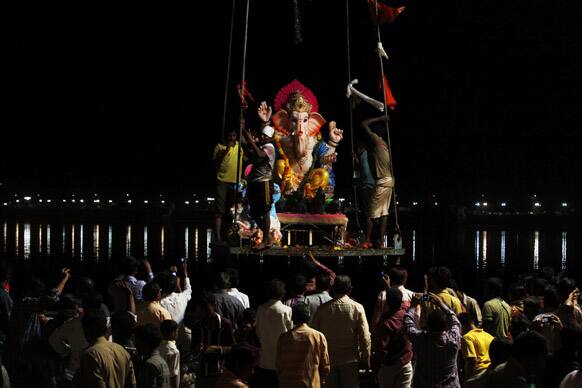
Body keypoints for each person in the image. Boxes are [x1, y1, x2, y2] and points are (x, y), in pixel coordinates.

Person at [312, 275, 371, 388]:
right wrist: (366, 359)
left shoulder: (322, 310)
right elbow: (365, 337)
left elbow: (315, 336)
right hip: (350, 360)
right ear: (350, 290)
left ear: (333, 289)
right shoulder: (357, 308)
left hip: (328, 360)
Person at [403, 293, 462, 388]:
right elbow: (455, 321)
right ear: (446, 325)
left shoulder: (420, 339)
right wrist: (441, 304)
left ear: (427, 325)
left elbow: (407, 324)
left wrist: (413, 306)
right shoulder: (453, 339)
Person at [242, 101, 276, 250]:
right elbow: (245, 144)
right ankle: (268, 236)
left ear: (269, 139)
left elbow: (259, 154)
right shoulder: (262, 144)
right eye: (261, 136)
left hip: (264, 183)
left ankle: (265, 240)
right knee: (254, 212)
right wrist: (242, 125)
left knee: (265, 212)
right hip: (255, 183)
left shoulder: (269, 148)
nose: (261, 138)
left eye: (264, 136)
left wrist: (249, 138)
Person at [73, 309, 136, 388]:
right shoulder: (122, 351)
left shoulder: (90, 355)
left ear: (86, 330)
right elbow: (132, 384)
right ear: (105, 329)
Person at [359, 115, 394, 249]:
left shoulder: (380, 142)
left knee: (370, 213)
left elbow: (364, 123)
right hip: (388, 181)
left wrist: (380, 118)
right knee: (384, 212)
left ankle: (368, 240)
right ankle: (380, 242)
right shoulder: (382, 143)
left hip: (383, 182)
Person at [276, 303, 330, 388]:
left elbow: (279, 364)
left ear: (293, 318)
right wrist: (321, 380)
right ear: (309, 316)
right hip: (311, 384)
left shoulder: (283, 338)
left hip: (288, 383)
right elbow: (325, 365)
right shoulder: (318, 336)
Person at [372, 288, 413, 388]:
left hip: (389, 366)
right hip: (406, 363)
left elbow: (381, 349)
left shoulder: (386, 323)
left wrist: (376, 369)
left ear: (387, 302)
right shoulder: (407, 316)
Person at [254, 280, 292, 387]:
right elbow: (290, 332)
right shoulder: (286, 310)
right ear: (283, 293)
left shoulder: (261, 309)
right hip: (282, 357)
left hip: (265, 357)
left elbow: (258, 332)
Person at [213, 130, 245, 243]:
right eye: (230, 135)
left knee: (232, 211)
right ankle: (218, 237)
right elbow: (216, 163)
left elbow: (243, 160)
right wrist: (226, 149)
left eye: (234, 135)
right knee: (219, 211)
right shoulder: (219, 146)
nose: (232, 138)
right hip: (222, 181)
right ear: (226, 136)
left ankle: (230, 236)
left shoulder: (239, 147)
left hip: (235, 182)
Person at [459, 313, 494, 381]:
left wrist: (467, 378)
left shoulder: (467, 337)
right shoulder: (488, 335)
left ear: (462, 325)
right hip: (490, 371)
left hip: (477, 373)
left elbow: (471, 360)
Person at [134, 324, 171, 388]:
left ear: (145, 343)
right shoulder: (161, 361)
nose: (135, 345)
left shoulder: (149, 364)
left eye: (137, 342)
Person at [158, 320, 181, 388]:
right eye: (177, 331)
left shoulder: (158, 346)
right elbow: (174, 375)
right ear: (173, 333)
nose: (177, 333)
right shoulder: (174, 351)